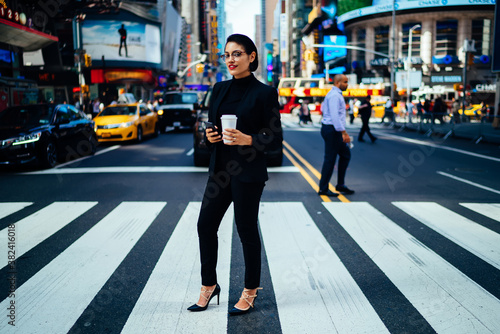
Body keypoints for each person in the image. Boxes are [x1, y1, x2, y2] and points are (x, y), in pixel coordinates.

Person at [187, 34, 282, 315]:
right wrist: (210, 136)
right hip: (220, 170)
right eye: (227, 54)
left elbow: (275, 137)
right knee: (205, 226)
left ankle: (250, 290)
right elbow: (211, 129)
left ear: (252, 57)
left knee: (246, 230)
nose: (231, 59)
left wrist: (248, 139)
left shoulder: (265, 93)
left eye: (237, 54)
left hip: (248, 172)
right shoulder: (219, 89)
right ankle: (209, 286)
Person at [318, 74, 354, 196]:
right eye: (345, 82)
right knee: (330, 159)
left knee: (345, 154)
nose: (347, 84)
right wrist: (343, 132)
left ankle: (340, 185)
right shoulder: (334, 96)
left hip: (333, 130)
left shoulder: (335, 95)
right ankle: (323, 188)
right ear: (338, 83)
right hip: (332, 130)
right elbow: (334, 116)